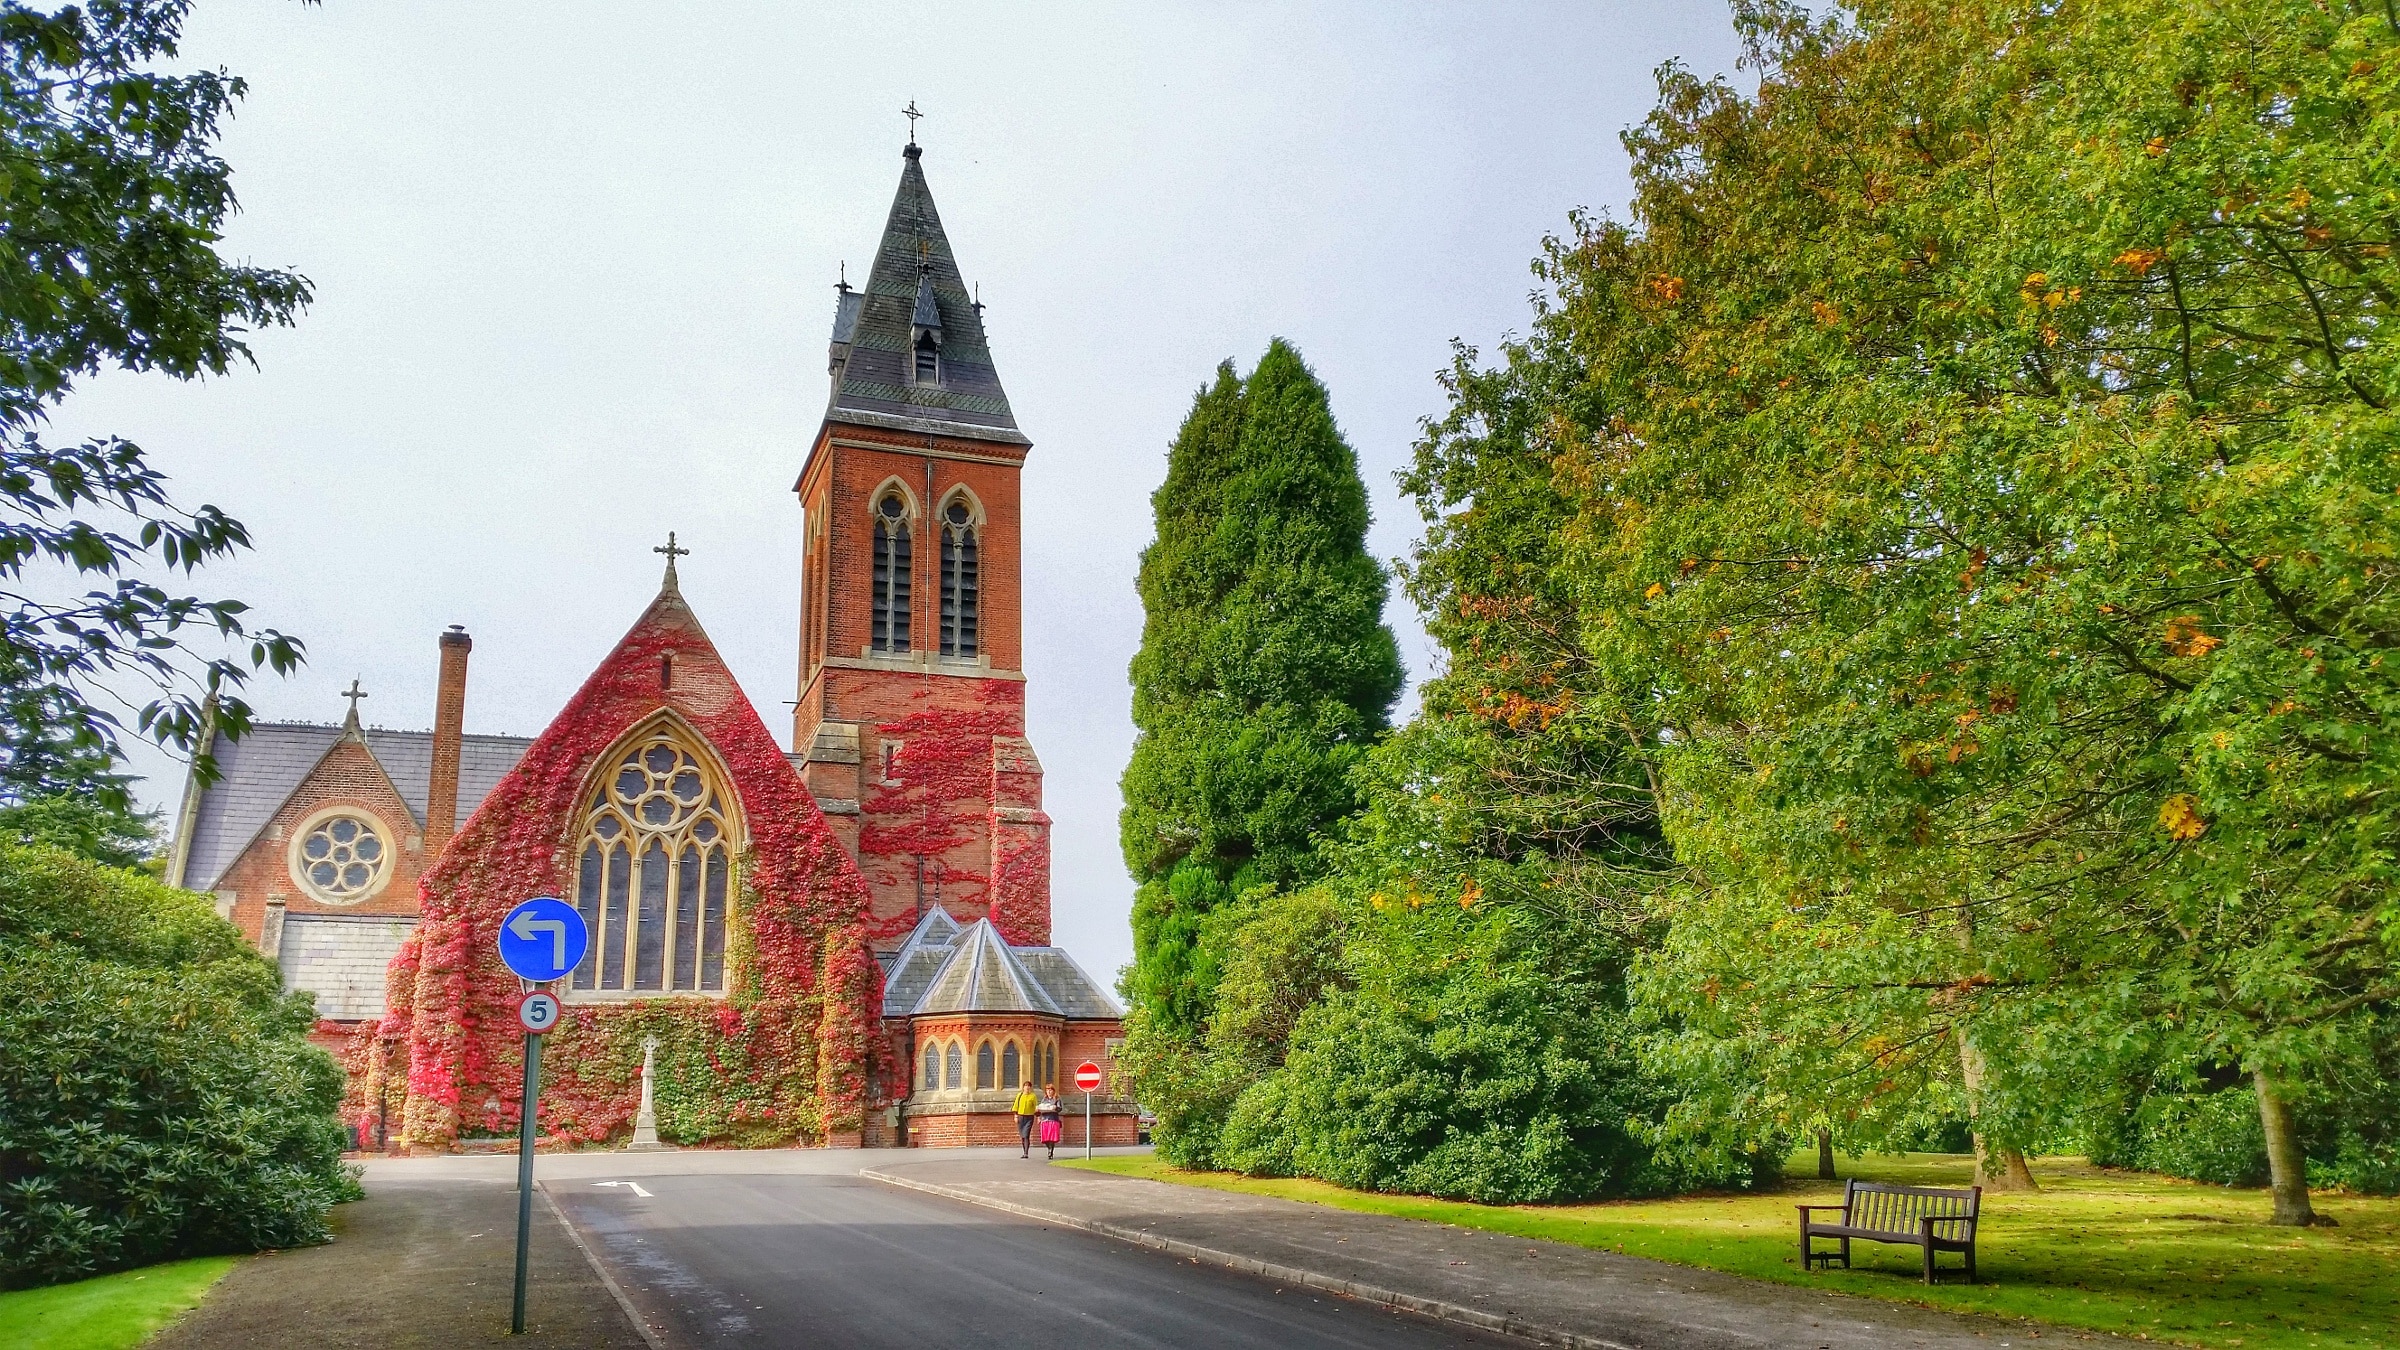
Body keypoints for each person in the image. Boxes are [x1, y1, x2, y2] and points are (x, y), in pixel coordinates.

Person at [1013, 1080, 1040, 1157]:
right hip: (1021, 1117)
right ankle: (1024, 1150)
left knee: (1026, 1134)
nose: (1027, 1088)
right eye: (1026, 1086)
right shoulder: (1020, 1095)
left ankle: (1026, 1153)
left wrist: (1038, 1117)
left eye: (1029, 1086)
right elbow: (1016, 1106)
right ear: (1023, 1087)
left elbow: (1036, 1107)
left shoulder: (1033, 1096)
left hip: (1029, 1117)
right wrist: (1015, 1116)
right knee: (1022, 1135)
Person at [1037, 1086, 1064, 1160]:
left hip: (1053, 1119)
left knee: (1051, 1137)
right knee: (1045, 1138)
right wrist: (1038, 1116)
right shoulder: (1044, 1099)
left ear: (1053, 1091)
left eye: (1050, 1090)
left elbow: (1059, 1108)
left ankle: (1050, 1151)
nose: (1049, 1092)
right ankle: (1049, 1147)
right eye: (1047, 1090)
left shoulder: (1057, 1099)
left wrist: (1055, 1107)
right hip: (1044, 1119)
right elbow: (1040, 1109)